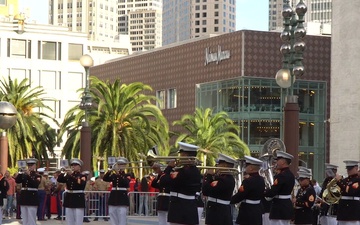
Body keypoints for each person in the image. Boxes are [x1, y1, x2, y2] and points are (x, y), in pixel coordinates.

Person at [160, 142, 202, 225]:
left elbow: (163, 181)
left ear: (187, 156)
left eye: (182, 155)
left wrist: (169, 167)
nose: (179, 157)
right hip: (189, 208)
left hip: (179, 208)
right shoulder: (195, 171)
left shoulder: (183, 172)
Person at [203, 153, 236, 225]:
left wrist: (208, 176)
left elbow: (205, 191)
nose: (216, 166)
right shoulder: (224, 178)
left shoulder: (225, 180)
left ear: (224, 166)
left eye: (218, 164)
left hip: (217, 212)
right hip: (218, 210)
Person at [231, 155, 265, 225]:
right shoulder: (261, 179)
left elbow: (240, 196)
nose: (245, 168)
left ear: (251, 168)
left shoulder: (247, 181)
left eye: (246, 166)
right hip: (257, 210)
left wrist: (229, 200)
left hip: (247, 211)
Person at [264, 151, 295, 225]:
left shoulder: (281, 176)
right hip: (286, 205)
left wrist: (264, 191)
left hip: (279, 207)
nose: (276, 162)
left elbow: (273, 192)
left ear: (283, 162)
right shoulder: (290, 174)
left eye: (278, 160)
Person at [57, 158, 87, 225]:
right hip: (69, 198)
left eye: (75, 165)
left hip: (78, 198)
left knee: (78, 219)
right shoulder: (68, 176)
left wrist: (71, 175)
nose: (73, 166)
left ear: (79, 167)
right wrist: (63, 171)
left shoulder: (82, 176)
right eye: (72, 165)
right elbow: (59, 179)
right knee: (69, 219)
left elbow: (80, 183)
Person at [103, 157, 130, 225]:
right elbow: (105, 179)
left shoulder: (127, 175)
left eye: (122, 164)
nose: (120, 166)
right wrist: (109, 171)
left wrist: (118, 173)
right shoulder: (114, 175)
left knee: (121, 215)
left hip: (122, 197)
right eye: (119, 164)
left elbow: (126, 182)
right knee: (112, 213)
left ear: (125, 166)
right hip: (114, 196)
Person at [15, 158, 41, 225]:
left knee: (31, 217)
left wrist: (29, 176)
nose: (30, 167)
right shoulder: (24, 175)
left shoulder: (37, 175)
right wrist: (20, 173)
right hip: (24, 197)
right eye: (29, 165)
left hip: (32, 197)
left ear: (35, 166)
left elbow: (35, 184)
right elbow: (17, 180)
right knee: (24, 217)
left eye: (31, 165)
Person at [334, 160, 360, 225]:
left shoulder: (358, 180)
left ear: (356, 168)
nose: (348, 171)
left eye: (350, 169)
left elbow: (351, 191)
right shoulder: (345, 180)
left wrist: (339, 181)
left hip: (352, 211)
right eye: (348, 169)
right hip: (342, 211)